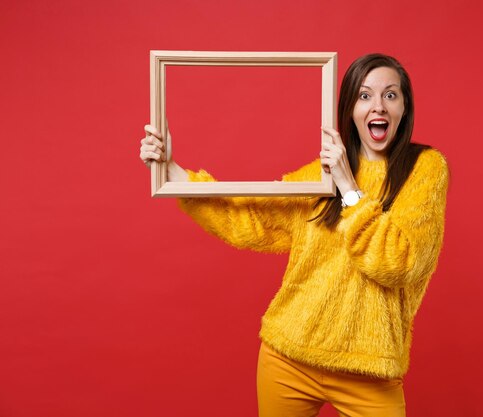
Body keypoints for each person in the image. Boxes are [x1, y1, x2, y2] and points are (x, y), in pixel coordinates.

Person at [139, 53, 449, 417]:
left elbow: (397, 263)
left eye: (390, 95)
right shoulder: (319, 176)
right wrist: (173, 172)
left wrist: (349, 190)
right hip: (289, 359)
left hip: (370, 371)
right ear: (349, 108)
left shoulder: (425, 169)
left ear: (404, 107)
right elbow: (252, 221)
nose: (377, 106)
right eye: (364, 96)